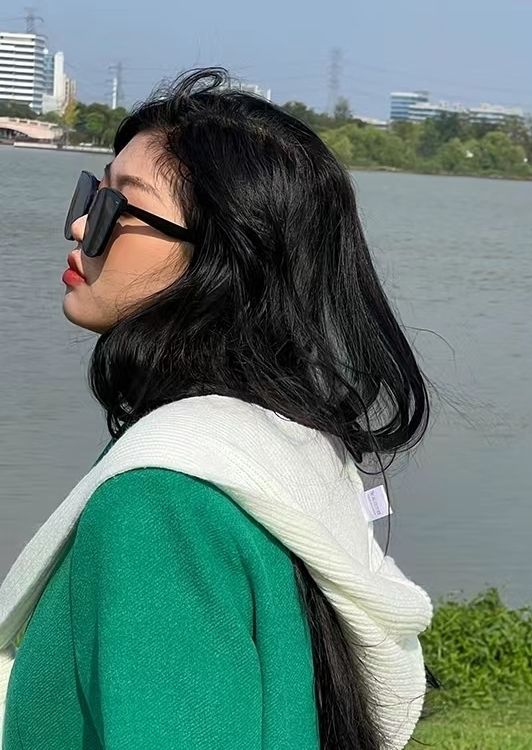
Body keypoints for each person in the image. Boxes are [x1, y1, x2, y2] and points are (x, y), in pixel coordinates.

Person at [0, 67, 439, 750]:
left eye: (118, 209)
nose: (82, 224)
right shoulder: (283, 449)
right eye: (91, 194)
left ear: (221, 258)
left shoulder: (160, 503)